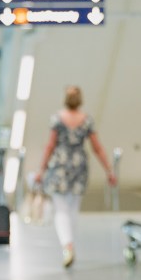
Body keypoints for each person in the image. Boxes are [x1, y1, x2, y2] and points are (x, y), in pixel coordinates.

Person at [37, 85, 117, 268]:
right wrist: (109, 170)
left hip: (60, 166)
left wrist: (41, 170)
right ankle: (70, 243)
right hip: (79, 166)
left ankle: (68, 245)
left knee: (61, 208)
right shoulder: (86, 120)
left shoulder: (57, 119)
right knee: (73, 208)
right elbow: (97, 147)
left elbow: (50, 146)